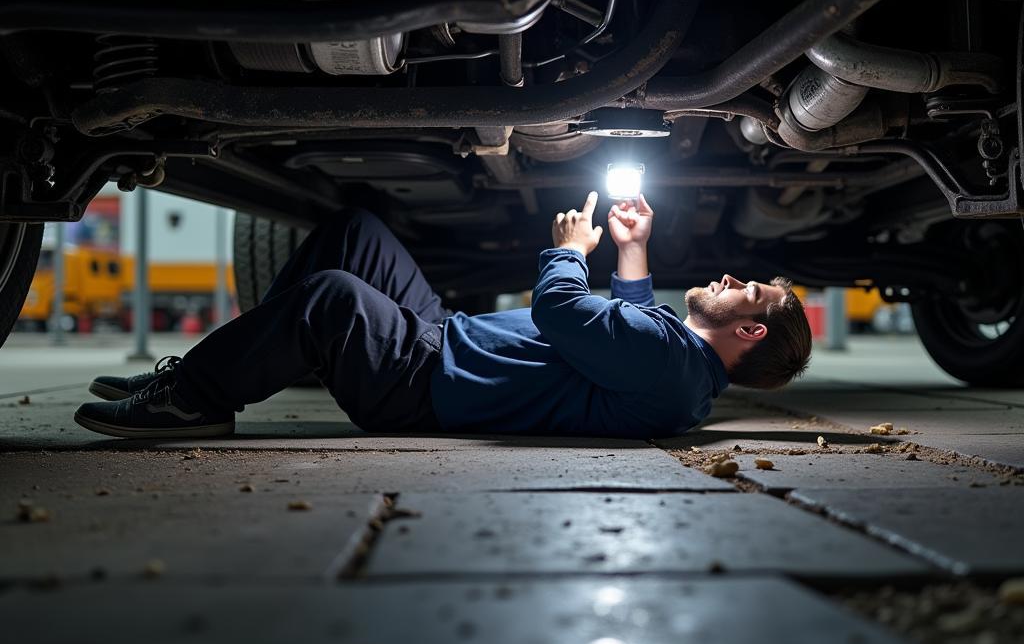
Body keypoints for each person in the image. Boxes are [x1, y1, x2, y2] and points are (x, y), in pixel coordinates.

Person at [74, 192, 812, 441]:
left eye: (751, 294)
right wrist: (634, 248)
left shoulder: (671, 364)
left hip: (425, 385)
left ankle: (196, 400)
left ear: (749, 334)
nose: (731, 279)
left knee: (334, 295)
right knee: (354, 232)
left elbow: (562, 313)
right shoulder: (677, 368)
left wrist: (571, 250)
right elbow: (629, 323)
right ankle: (223, 367)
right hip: (444, 341)